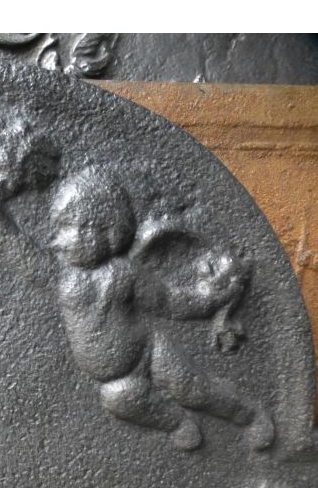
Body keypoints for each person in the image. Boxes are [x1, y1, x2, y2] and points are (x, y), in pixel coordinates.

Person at [51, 168, 274, 451]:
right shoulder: (61, 278)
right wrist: (0, 225)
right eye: (60, 227)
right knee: (119, 401)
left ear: (105, 231)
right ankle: (176, 423)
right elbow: (25, 259)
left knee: (192, 389)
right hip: (117, 380)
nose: (58, 239)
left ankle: (248, 415)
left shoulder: (124, 274)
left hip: (150, 351)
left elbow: (168, 301)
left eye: (70, 227)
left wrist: (210, 299)